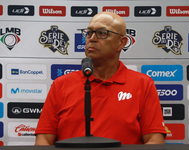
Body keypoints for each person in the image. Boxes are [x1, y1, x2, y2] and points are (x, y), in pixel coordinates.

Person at [35, 11, 166, 145]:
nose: (92, 38)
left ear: (121, 43)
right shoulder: (61, 84)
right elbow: (44, 140)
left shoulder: (143, 84)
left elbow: (154, 140)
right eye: (89, 33)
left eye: (102, 33)